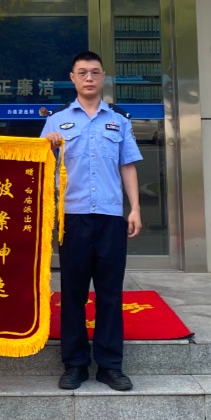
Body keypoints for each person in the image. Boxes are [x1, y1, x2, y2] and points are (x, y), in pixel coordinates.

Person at [41, 50, 142, 392]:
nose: (89, 78)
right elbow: (37, 167)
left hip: (111, 217)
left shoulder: (119, 120)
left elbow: (127, 165)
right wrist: (48, 148)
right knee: (73, 293)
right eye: (82, 72)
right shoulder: (56, 121)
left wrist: (135, 208)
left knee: (110, 293)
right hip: (72, 217)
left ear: (103, 77)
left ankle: (110, 366)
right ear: (72, 78)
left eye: (95, 72)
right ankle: (75, 364)